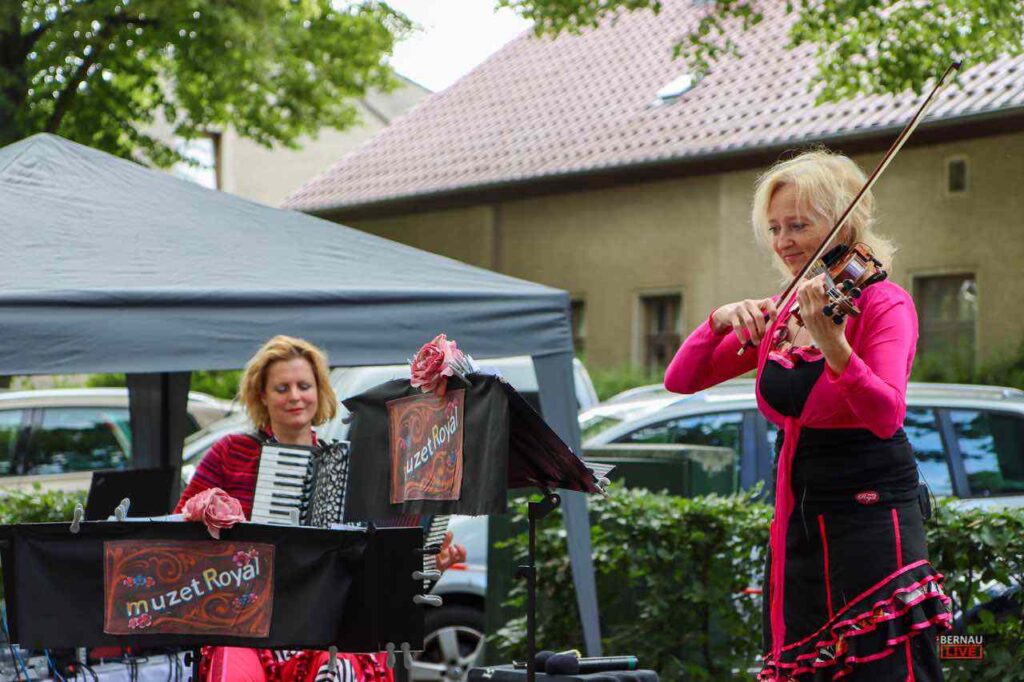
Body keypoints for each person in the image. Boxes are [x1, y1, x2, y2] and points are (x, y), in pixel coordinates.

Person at [664, 149, 951, 680]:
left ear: (843, 219)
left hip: (870, 515)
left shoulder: (883, 303)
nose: (783, 241)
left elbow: (886, 413)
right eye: (774, 228)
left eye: (798, 225)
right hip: (798, 515)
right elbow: (681, 378)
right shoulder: (785, 311)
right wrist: (720, 319)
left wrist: (835, 346)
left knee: (881, 668)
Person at [176, 335, 467, 682]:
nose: (295, 396)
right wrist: (206, 512)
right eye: (282, 388)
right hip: (248, 616)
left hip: (326, 623)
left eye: (304, 386)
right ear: (262, 396)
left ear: (319, 392)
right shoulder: (231, 452)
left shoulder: (349, 466)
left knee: (340, 666)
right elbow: (181, 526)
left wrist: (428, 567)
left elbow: (375, 579)